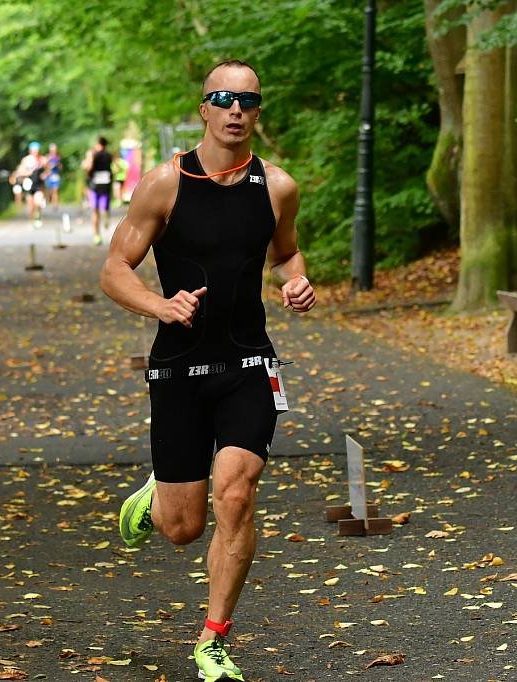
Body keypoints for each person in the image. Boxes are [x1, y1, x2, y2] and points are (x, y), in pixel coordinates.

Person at [100, 59, 316, 681]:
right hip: (178, 370)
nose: (236, 111)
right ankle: (158, 495)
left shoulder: (277, 187)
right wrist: (160, 305)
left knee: (238, 493)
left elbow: (287, 252)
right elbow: (115, 267)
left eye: (248, 101)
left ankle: (213, 640)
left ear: (257, 112)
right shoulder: (166, 184)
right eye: (223, 99)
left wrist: (297, 282)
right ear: (203, 108)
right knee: (182, 529)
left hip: (248, 362)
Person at [82, 136, 113, 245]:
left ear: (98, 144)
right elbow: (117, 167)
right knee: (104, 209)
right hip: (106, 185)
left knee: (95, 211)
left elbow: (87, 168)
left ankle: (97, 235)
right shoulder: (109, 155)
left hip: (94, 186)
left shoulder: (93, 155)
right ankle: (106, 219)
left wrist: (89, 158)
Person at [11, 141, 47, 227]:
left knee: (38, 202)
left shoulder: (42, 160)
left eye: (37, 150)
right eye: (34, 150)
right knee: (31, 206)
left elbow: (48, 170)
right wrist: (29, 172)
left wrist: (44, 175)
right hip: (29, 185)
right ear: (30, 150)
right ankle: (31, 221)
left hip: (38, 185)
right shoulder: (26, 160)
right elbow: (20, 171)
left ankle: (38, 217)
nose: (35, 152)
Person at [44, 143, 62, 207]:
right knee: (49, 191)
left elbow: (60, 168)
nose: (53, 151)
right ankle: (48, 200)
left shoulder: (58, 157)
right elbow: (45, 166)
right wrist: (48, 167)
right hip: (49, 176)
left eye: (54, 150)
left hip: (56, 176)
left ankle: (55, 204)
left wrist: (58, 165)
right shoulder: (47, 157)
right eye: (52, 150)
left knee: (55, 190)